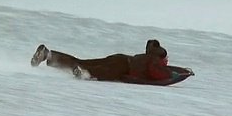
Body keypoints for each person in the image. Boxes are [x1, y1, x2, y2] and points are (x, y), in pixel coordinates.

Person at [30, 39, 164, 81]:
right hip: (123, 67)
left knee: (82, 61)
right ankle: (83, 72)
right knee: (102, 72)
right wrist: (170, 73)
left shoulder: (144, 56)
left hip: (120, 58)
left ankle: (48, 54)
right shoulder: (155, 61)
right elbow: (157, 74)